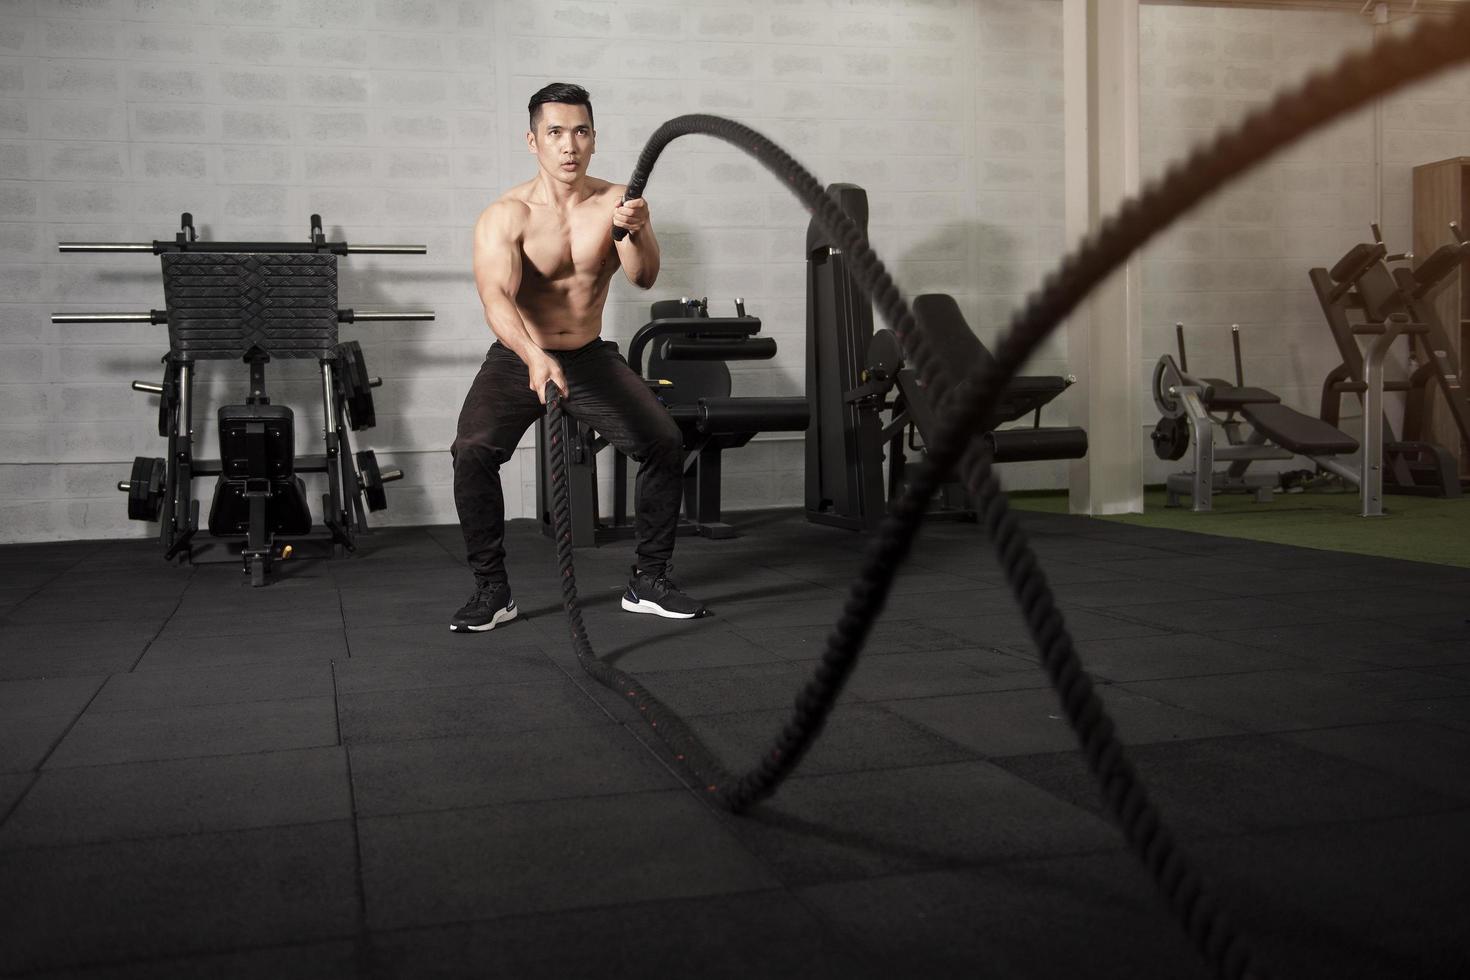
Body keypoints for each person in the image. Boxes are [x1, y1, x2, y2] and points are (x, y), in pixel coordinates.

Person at [449, 82, 707, 633]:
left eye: (581, 132)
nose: (570, 146)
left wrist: (637, 232)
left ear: (594, 140)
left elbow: (643, 276)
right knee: (471, 451)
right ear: (533, 140)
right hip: (518, 354)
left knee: (663, 441)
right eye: (556, 132)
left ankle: (648, 581)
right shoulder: (507, 216)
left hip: (588, 356)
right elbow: (495, 300)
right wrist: (533, 356)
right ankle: (493, 591)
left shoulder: (617, 202)